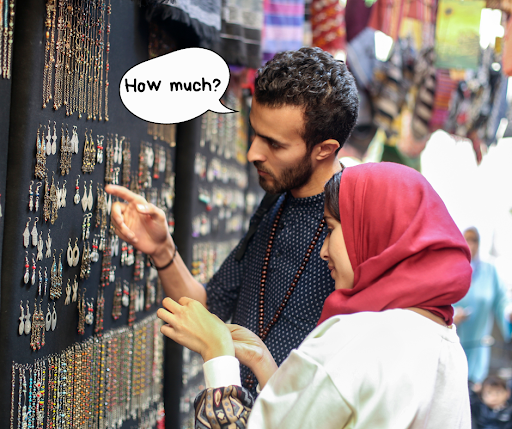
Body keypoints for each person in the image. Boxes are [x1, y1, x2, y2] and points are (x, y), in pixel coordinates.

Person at [106, 47, 359, 393]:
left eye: (274, 144)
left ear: (324, 149)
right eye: (254, 133)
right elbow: (207, 307)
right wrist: (162, 249)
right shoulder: (275, 202)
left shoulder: (356, 222)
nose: (253, 153)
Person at [157, 162, 473, 428]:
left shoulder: (359, 339)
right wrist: (265, 364)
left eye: (332, 230)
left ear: (372, 233)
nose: (324, 250)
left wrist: (217, 354)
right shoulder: (445, 344)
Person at [454, 226, 512, 389]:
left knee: (475, 389)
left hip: (479, 343)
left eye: (474, 240)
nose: (470, 244)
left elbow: (502, 301)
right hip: (454, 339)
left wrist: (508, 313)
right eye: (467, 239)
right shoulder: (452, 268)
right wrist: (452, 316)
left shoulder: (489, 271)